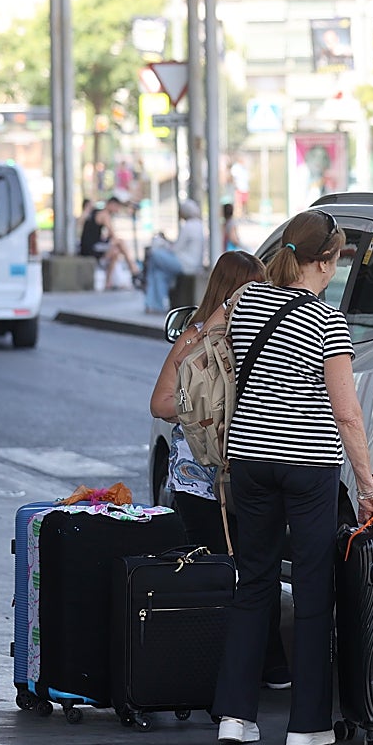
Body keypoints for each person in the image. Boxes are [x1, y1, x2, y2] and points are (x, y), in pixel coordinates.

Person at [210, 209, 373, 745]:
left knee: (254, 583)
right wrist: (367, 485)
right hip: (307, 465)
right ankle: (307, 725)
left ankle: (235, 716)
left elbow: (209, 337)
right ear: (327, 261)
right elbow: (348, 414)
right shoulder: (327, 321)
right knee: (313, 589)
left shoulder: (243, 302)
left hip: (249, 461)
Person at [147, 251, 292, 690]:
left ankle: (267, 661)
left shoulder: (259, 336)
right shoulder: (194, 339)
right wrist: (202, 409)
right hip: (200, 479)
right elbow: (161, 403)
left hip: (245, 471)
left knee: (255, 565)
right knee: (219, 568)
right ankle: (218, 657)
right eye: (252, 288)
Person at [144, 199, 206, 314]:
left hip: (184, 264)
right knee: (158, 274)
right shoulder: (199, 225)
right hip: (192, 263)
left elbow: (176, 249)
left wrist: (163, 242)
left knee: (154, 254)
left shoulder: (188, 226)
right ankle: (155, 305)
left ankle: (152, 303)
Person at [79, 190, 140, 289]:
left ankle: (108, 283)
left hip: (91, 246)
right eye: (117, 206)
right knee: (120, 242)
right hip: (91, 248)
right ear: (111, 204)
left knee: (115, 252)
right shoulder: (104, 214)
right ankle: (134, 269)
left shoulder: (96, 212)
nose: (118, 209)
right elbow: (113, 235)